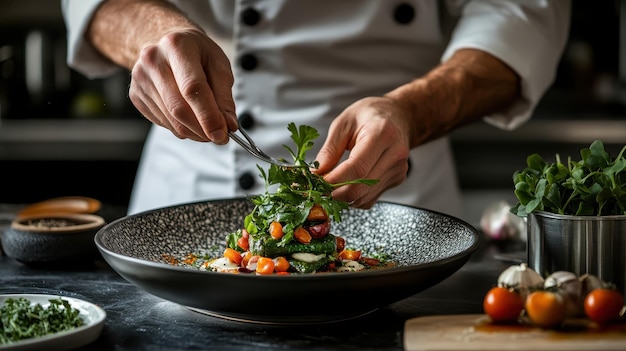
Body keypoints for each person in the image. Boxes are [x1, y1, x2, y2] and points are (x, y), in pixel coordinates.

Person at [61, 0, 571, 220]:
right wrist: (153, 37)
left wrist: (409, 112)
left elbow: (519, 14)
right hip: (190, 186)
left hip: (395, 194)